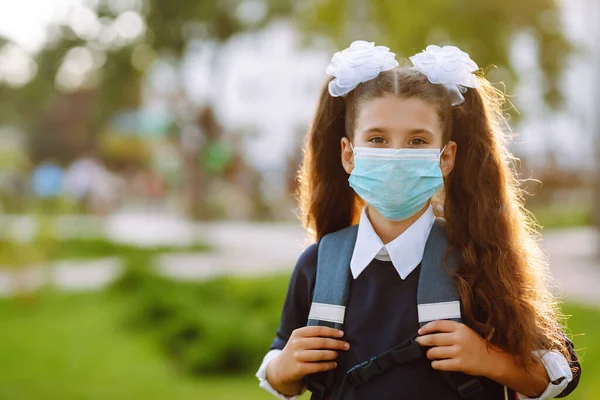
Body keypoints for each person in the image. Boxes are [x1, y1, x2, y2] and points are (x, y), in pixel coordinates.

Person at [255, 41, 581, 399]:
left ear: (446, 157)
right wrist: (282, 367)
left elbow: (559, 372)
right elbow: (281, 367)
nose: (395, 155)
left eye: (417, 141)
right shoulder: (318, 265)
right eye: (377, 139)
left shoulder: (478, 260)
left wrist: (490, 360)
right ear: (348, 154)